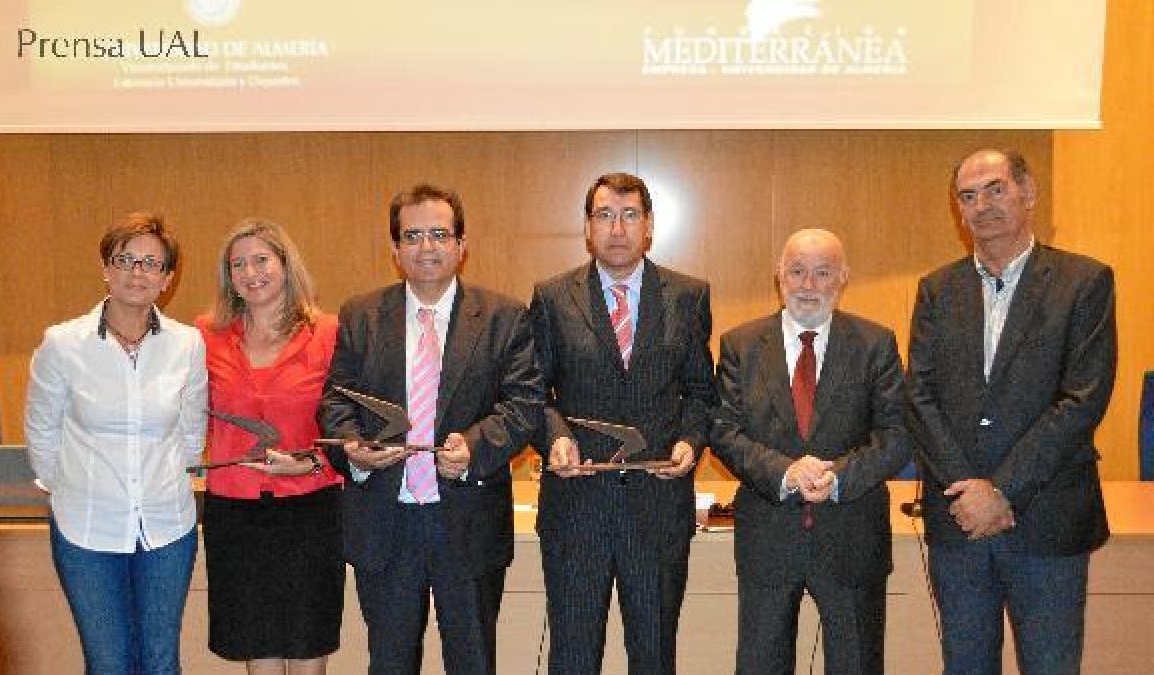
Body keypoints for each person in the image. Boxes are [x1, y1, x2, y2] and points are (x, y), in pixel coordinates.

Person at [906, 148, 1116, 675]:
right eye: (968, 196)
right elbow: (921, 397)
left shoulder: (1083, 282)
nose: (982, 206)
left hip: (1045, 520)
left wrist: (1001, 491)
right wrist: (968, 491)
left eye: (996, 189)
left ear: (1028, 192)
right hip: (960, 523)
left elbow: (1082, 399)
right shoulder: (937, 290)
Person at [318, 183, 543, 675]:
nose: (426, 247)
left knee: (473, 662)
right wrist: (353, 449)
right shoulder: (362, 315)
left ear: (462, 246)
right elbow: (336, 400)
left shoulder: (503, 317)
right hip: (385, 519)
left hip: (466, 519)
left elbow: (524, 405)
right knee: (391, 663)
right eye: (412, 235)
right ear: (395, 249)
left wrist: (476, 444)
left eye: (439, 234)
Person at [528, 172, 717, 674]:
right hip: (577, 508)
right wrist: (557, 436)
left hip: (656, 510)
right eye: (605, 215)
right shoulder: (552, 298)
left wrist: (690, 442)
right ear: (588, 228)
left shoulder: (687, 296)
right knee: (573, 657)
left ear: (649, 226)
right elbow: (532, 394)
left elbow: (702, 393)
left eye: (630, 215)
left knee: (654, 657)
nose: (617, 228)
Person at [711, 229, 911, 675]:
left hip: (852, 537)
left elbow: (897, 434)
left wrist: (838, 476)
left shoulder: (875, 344)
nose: (807, 285)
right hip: (769, 538)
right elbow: (723, 432)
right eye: (797, 271)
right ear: (778, 276)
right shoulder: (740, 346)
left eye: (822, 273)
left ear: (843, 279)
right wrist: (785, 472)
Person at [25, 212, 207, 674]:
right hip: (86, 528)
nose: (137, 272)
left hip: (166, 526)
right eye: (125, 259)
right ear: (106, 269)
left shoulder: (187, 344)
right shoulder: (63, 344)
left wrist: (164, 477)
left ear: (167, 279)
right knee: (108, 663)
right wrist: (67, 487)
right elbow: (42, 432)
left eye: (151, 263)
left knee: (160, 661)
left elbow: (190, 433)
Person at [196, 218, 345, 675]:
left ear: (285, 264)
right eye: (237, 263)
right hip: (234, 512)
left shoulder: (329, 333)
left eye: (261, 259)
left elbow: (347, 423)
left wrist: (313, 465)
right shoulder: (204, 334)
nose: (250, 271)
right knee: (254, 642)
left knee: (306, 644)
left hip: (308, 510)